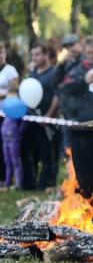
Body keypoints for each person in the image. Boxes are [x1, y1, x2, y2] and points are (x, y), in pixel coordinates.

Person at [22, 43, 59, 190]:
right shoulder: (32, 73)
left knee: (47, 154)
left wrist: (49, 115)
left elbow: (57, 96)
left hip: (47, 120)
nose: (34, 58)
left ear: (46, 55)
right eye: (33, 55)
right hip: (31, 119)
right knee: (27, 151)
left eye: (37, 54)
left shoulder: (54, 73)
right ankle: (29, 183)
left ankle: (46, 183)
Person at [0, 41, 21, 184]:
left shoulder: (10, 70)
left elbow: (16, 91)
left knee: (7, 150)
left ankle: (7, 178)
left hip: (6, 114)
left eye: (1, 52)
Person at [1, 87, 26, 190]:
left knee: (15, 160)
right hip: (5, 139)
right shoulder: (6, 110)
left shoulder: (19, 109)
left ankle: (18, 183)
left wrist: (18, 133)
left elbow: (24, 122)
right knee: (7, 161)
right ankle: (7, 181)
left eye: (13, 95)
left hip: (14, 139)